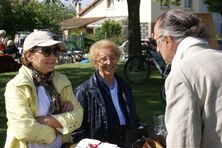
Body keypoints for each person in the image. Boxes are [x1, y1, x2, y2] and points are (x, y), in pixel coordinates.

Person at [154, 9, 222, 148]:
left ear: (167, 40)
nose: (157, 49)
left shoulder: (182, 73)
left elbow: (183, 140)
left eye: (155, 41)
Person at [4, 31, 83, 148]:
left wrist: (49, 120)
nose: (53, 57)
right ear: (28, 56)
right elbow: (25, 129)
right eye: (46, 51)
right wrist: (58, 130)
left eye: (55, 51)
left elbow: (79, 115)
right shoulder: (16, 86)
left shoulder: (62, 80)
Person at [74, 39, 141, 147]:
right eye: (103, 59)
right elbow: (77, 129)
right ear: (95, 63)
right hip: (102, 143)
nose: (109, 62)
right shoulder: (84, 91)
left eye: (112, 58)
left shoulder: (124, 86)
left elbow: (134, 116)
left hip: (127, 141)